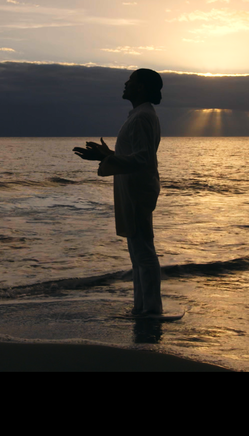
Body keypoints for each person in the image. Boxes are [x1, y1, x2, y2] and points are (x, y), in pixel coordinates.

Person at [74, 68, 163, 316]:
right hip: (132, 187)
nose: (125, 84)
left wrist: (106, 156)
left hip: (137, 189)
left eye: (131, 81)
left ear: (142, 87)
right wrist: (109, 155)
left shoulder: (143, 117)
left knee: (143, 250)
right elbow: (135, 156)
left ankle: (152, 309)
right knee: (137, 251)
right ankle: (142, 306)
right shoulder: (139, 115)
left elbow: (143, 158)